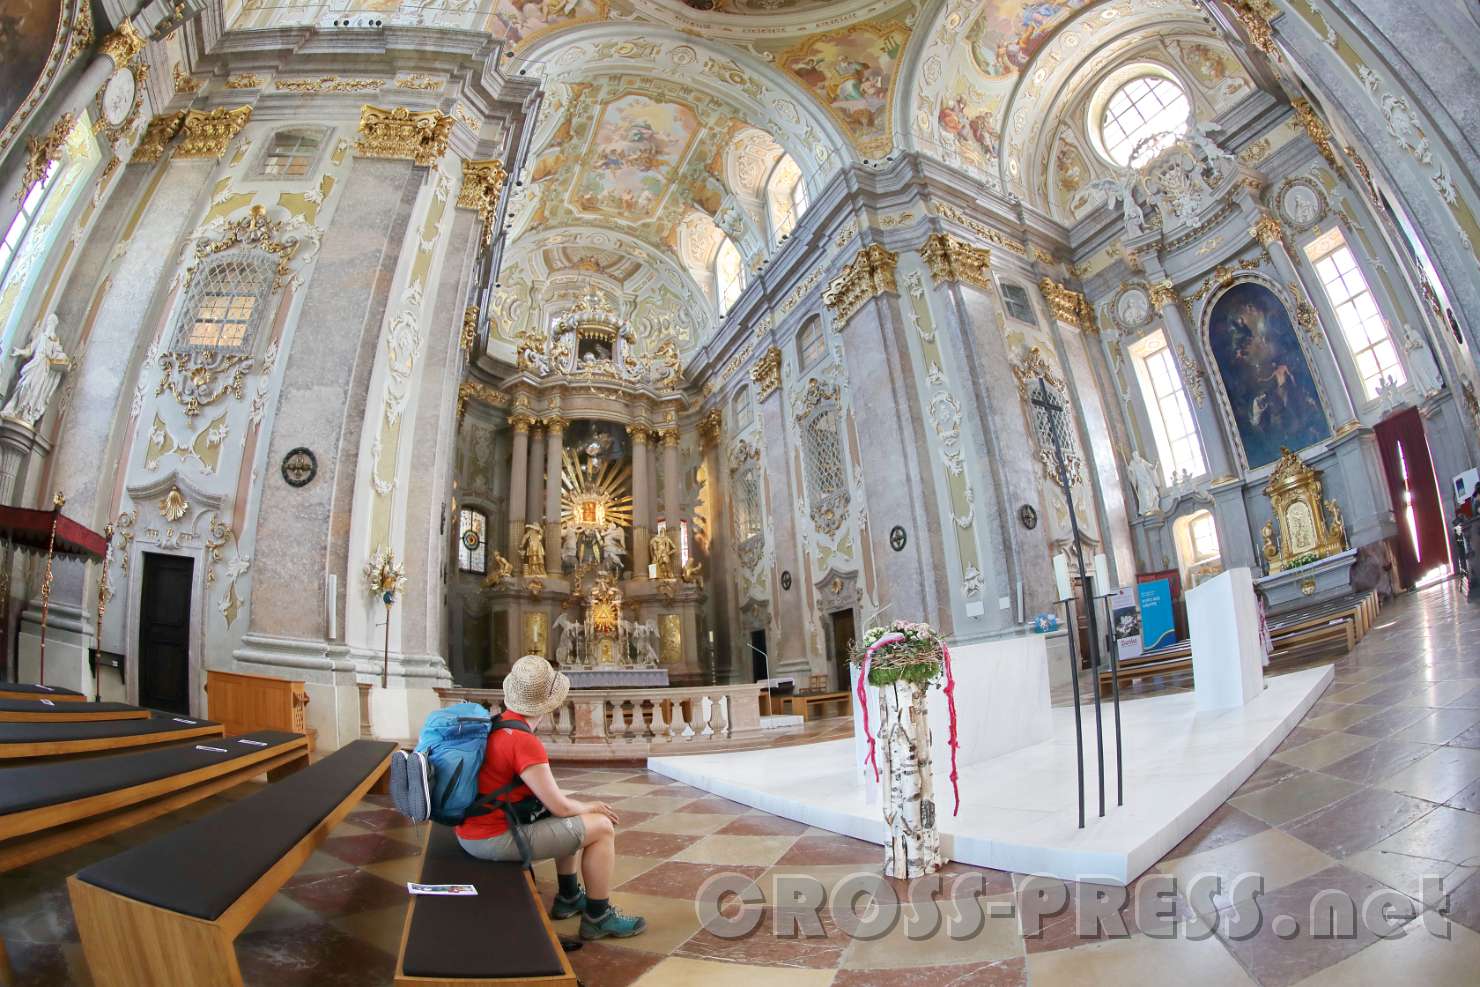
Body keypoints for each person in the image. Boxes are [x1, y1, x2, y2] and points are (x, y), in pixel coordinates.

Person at [455, 655, 646, 940]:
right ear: (549, 703)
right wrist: (591, 806)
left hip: (473, 829)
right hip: (491, 839)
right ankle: (599, 916)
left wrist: (577, 808)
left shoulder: (499, 723)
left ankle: (569, 897)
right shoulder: (523, 741)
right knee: (602, 828)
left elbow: (549, 801)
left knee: (570, 813)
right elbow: (560, 806)